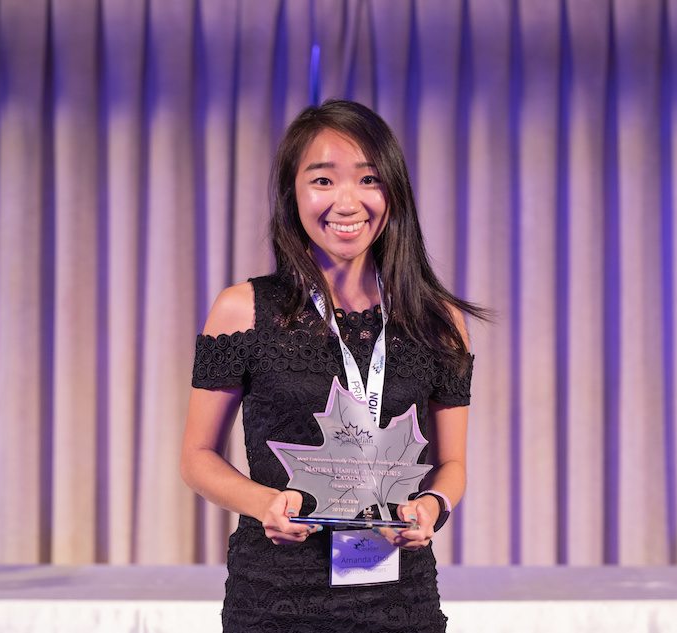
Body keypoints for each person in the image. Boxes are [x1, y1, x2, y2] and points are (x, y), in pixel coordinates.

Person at [181, 99, 486, 632]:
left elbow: (452, 464)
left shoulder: (439, 321)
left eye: (368, 179)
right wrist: (265, 503)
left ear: (392, 192)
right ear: (292, 194)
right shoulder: (242, 310)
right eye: (323, 181)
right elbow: (197, 457)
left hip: (399, 597)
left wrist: (434, 505)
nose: (348, 201)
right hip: (276, 599)